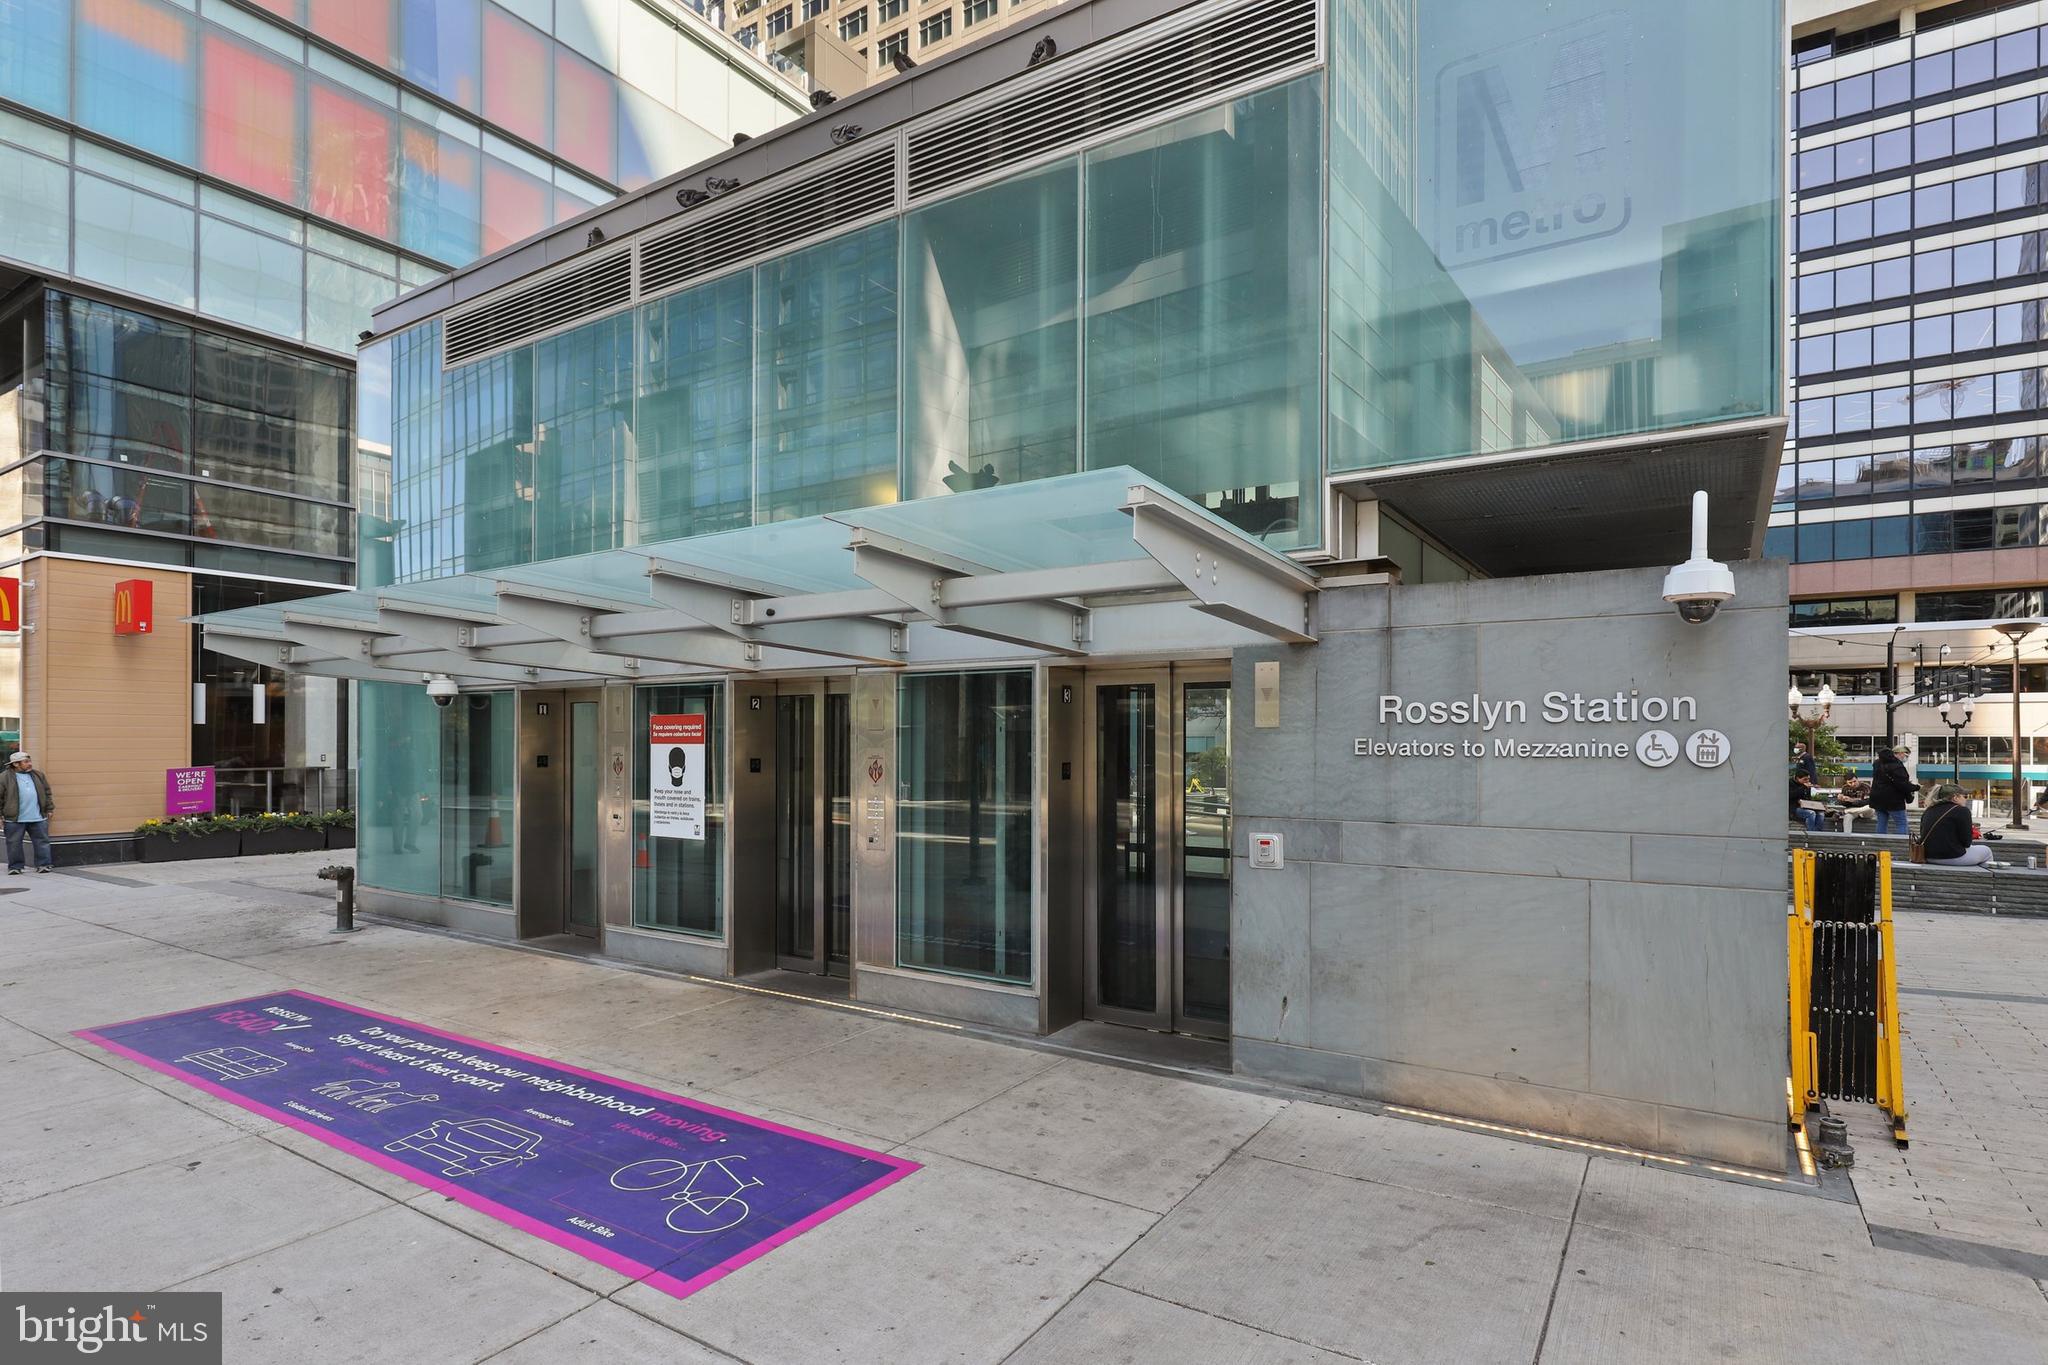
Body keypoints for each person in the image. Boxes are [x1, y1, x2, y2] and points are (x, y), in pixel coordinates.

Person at [3, 751, 55, 874]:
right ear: (16, 764)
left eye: (29, 761)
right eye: (26, 762)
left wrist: (49, 808)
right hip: (14, 818)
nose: (30, 764)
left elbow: (47, 792)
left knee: (42, 842)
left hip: (38, 816)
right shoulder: (4, 777)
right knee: (14, 843)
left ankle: (44, 865)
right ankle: (15, 867)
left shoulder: (38, 775)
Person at [1920, 784, 1991, 866]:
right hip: (1952, 857)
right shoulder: (1962, 811)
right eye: (1964, 796)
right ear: (1955, 797)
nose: (1965, 799)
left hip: (1927, 856)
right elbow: (1967, 842)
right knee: (1986, 851)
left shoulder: (1928, 811)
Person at [1870, 744, 1915, 837]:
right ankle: (1901, 844)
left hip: (1878, 800)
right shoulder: (1897, 766)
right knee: (1901, 823)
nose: (1906, 758)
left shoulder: (1877, 763)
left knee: (1881, 823)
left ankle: (1880, 844)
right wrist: (1915, 788)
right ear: (1899, 753)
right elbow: (1902, 784)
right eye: (1906, 755)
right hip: (1894, 801)